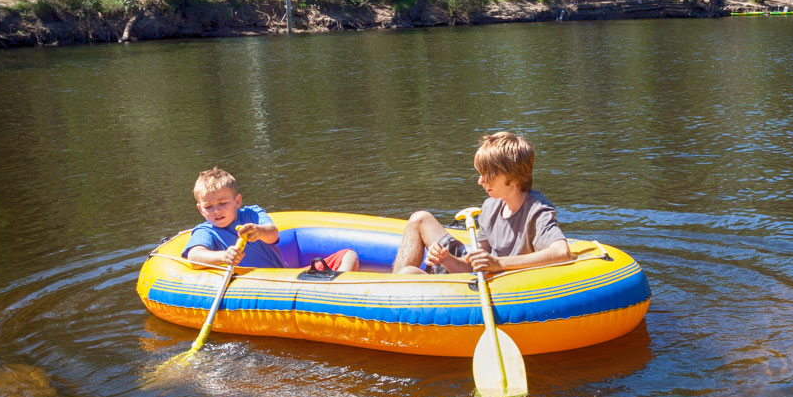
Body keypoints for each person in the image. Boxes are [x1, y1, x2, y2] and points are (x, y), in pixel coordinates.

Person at [391, 132, 571, 275]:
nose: (480, 181)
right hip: (476, 277)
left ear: (514, 177)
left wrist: (498, 263)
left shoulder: (537, 210)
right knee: (420, 219)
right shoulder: (490, 207)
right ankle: (390, 293)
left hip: (504, 285)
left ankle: (393, 296)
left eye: (488, 174)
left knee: (408, 273)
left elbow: (562, 253)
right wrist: (446, 259)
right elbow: (471, 268)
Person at [184, 167, 359, 272]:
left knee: (349, 255)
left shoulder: (252, 214)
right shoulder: (206, 231)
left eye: (223, 203)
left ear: (237, 201)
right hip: (256, 284)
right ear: (200, 209)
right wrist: (224, 255)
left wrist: (259, 231)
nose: (216, 211)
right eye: (208, 207)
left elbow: (273, 234)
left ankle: (337, 292)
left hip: (284, 276)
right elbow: (194, 256)